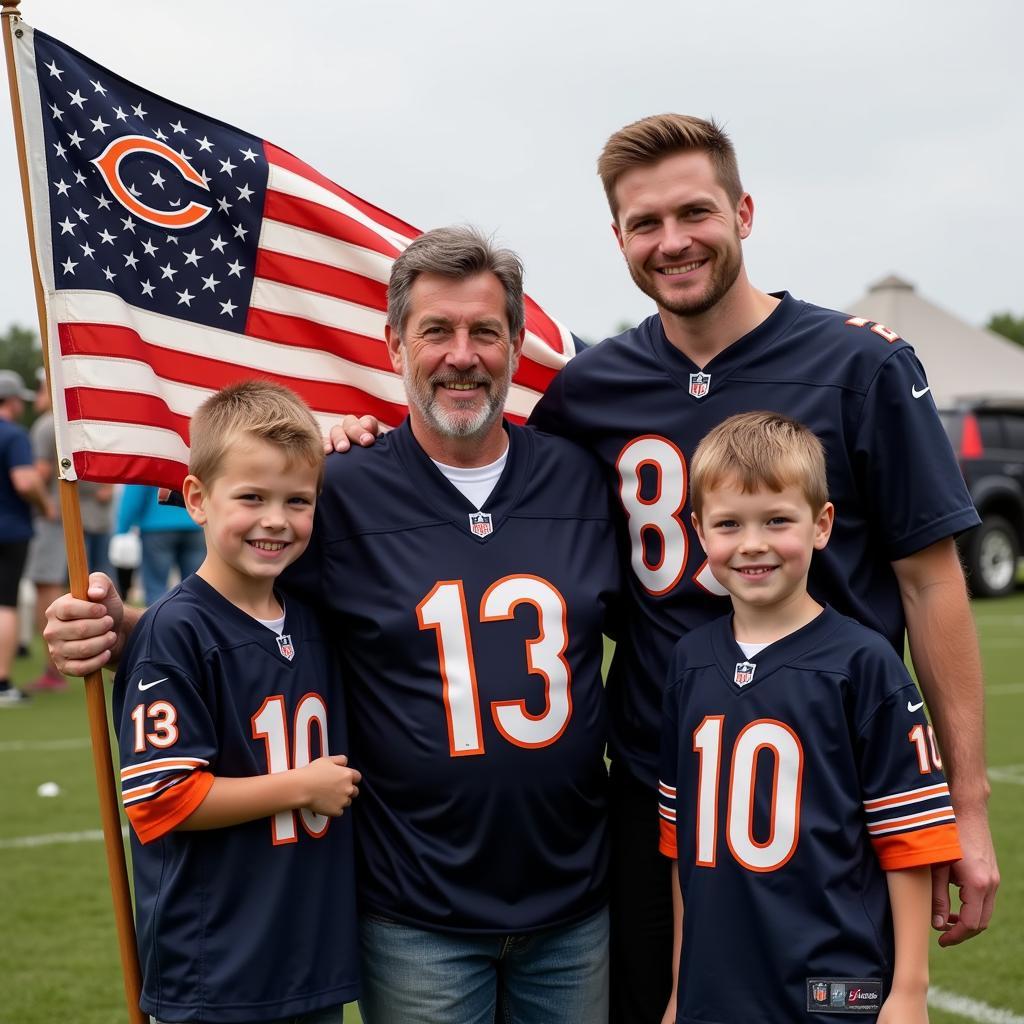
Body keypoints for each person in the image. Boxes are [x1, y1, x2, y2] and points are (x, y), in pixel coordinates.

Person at [333, 113, 997, 1023]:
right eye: (645, 224)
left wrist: (965, 804)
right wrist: (350, 440)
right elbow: (487, 489)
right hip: (658, 793)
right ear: (618, 239)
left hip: (835, 789)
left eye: (695, 213)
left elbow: (930, 581)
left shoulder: (860, 364)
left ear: (744, 212)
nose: (673, 241)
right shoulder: (591, 390)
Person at [45, 227, 621, 1024]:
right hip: (414, 909)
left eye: (485, 331)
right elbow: (236, 621)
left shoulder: (582, 478)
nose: (463, 355)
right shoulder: (339, 492)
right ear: (393, 345)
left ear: (517, 344)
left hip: (575, 900)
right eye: (436, 332)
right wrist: (121, 628)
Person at [658, 411, 961, 1023]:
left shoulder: (863, 662)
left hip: (831, 987)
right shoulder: (689, 664)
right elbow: (680, 847)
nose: (752, 544)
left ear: (822, 524)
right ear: (698, 530)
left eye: (777, 520)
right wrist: (677, 983)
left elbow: (905, 840)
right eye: (728, 524)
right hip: (715, 988)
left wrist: (907, 990)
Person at [113, 379, 361, 1023]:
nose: (276, 519)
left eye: (297, 501)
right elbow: (163, 797)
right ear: (196, 498)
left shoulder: (312, 618)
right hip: (217, 969)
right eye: (251, 497)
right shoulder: (176, 629)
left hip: (304, 957)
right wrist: (299, 787)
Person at [0, 369, 51, 706]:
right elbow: (23, 481)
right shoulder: (14, 435)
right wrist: (45, 504)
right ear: (13, 400)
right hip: (9, 529)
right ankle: (3, 683)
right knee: (5, 604)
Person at [115, 483, 206, 605]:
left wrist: (122, 528)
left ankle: (158, 623)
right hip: (195, 524)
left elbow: (135, 489)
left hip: (156, 528)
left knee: (155, 588)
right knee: (196, 588)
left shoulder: (151, 463)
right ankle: (197, 622)